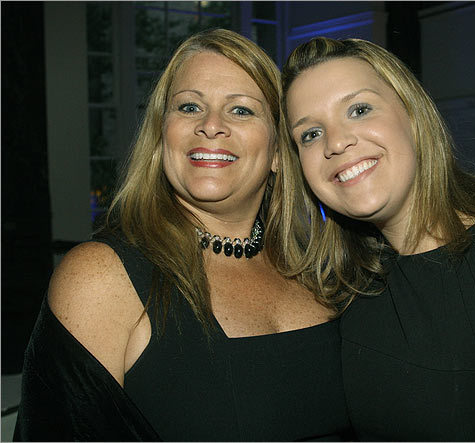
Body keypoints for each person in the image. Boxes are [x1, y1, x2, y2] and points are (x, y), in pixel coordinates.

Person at [14, 29, 354, 441]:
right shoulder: (102, 279)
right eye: (189, 106)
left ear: (280, 152)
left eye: (241, 110)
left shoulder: (325, 273)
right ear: (162, 137)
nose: (210, 126)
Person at [282, 36, 475, 441]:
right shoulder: (341, 299)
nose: (336, 142)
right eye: (310, 134)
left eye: (359, 109)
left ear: (413, 115)